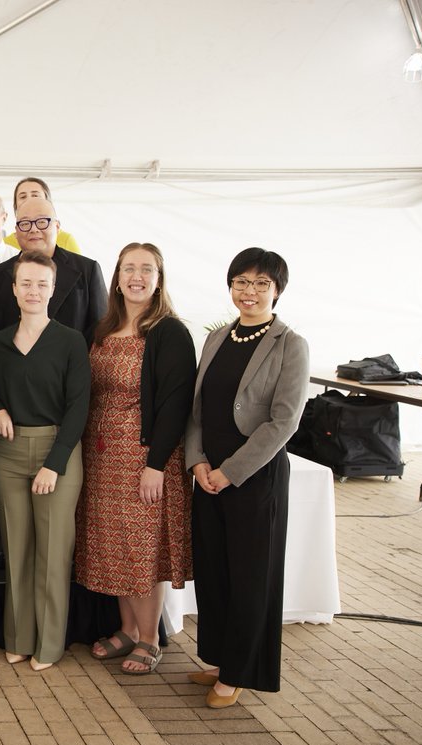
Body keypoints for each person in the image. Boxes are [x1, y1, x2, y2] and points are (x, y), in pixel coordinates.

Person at [185, 248, 308, 708]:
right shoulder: (217, 338)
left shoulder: (289, 344)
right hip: (208, 474)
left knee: (250, 577)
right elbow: (196, 409)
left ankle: (238, 672)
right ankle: (217, 658)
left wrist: (230, 472)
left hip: (254, 478)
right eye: (241, 281)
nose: (249, 291)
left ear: (277, 290)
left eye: (260, 284)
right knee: (215, 571)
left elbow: (284, 421)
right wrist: (198, 462)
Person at [74, 243, 196, 674]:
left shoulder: (169, 332)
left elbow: (176, 405)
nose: (137, 276)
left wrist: (156, 465)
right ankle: (126, 629)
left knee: (143, 552)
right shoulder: (103, 328)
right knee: (117, 549)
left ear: (159, 278)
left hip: (144, 460)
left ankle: (149, 639)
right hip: (102, 458)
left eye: (147, 269)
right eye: (129, 268)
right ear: (118, 276)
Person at [0, 251, 90, 670]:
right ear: (13, 289)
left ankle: (48, 645)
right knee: (17, 550)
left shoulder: (70, 340)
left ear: (53, 289)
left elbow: (79, 407)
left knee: (52, 554)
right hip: (9, 454)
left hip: (57, 453)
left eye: (41, 284)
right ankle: (19, 637)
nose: (33, 291)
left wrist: (55, 463)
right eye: (25, 283)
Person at [0, 194, 105, 343]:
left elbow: (100, 330)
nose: (33, 229)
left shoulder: (87, 270)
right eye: (25, 223)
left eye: (42, 222)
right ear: (16, 231)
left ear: (57, 227)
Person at [2, 178, 81, 254]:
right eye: (23, 197)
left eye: (35, 195)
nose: (29, 200)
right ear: (15, 205)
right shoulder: (5, 244)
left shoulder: (66, 240)